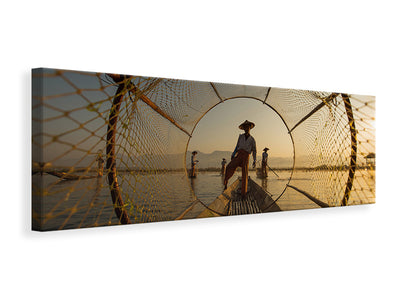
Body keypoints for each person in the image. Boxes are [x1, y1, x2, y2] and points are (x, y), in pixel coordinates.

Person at [223, 120, 257, 197]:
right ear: (244, 129)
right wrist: (233, 154)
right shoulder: (240, 137)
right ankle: (226, 183)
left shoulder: (252, 139)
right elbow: (237, 146)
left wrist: (254, 160)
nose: (246, 128)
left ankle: (243, 193)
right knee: (229, 167)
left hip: (246, 157)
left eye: (248, 127)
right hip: (239, 155)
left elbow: (254, 151)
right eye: (245, 127)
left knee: (245, 174)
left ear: (250, 128)